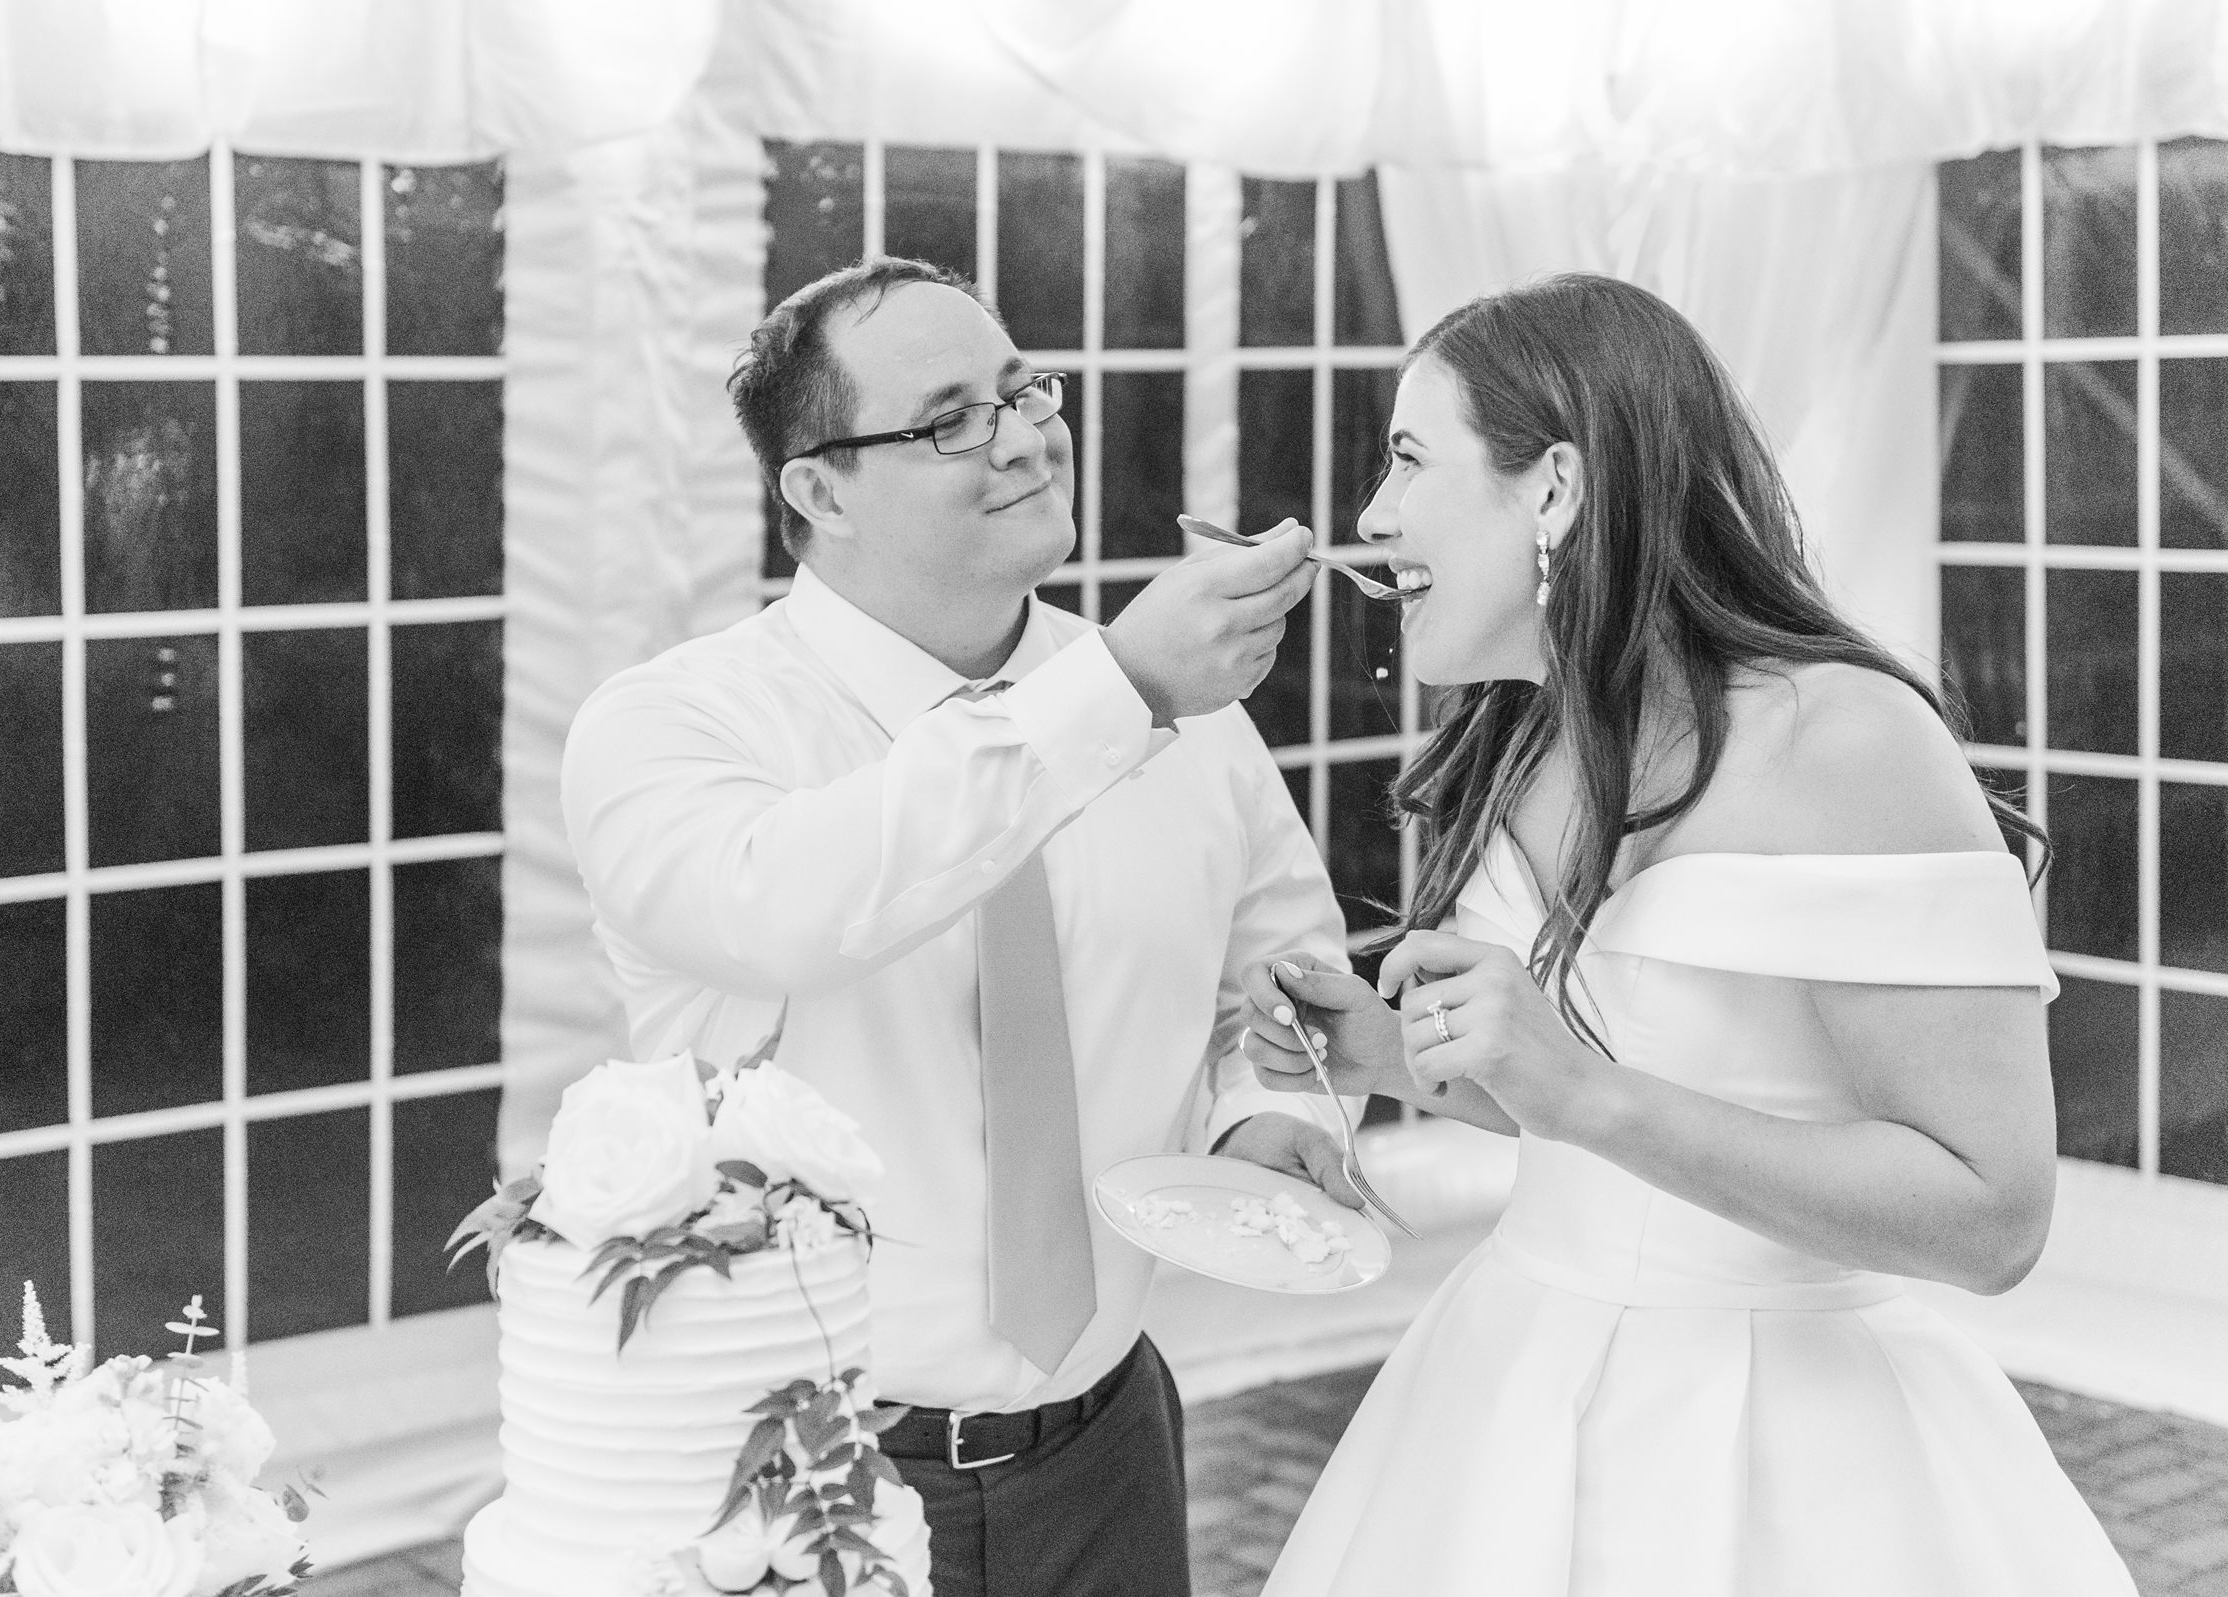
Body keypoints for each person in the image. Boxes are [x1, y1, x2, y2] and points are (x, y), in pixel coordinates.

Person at [1242, 274, 2138, 1595]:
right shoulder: (1513, 724)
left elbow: (1993, 1215)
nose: (1372, 516)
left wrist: (1589, 1093)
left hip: (1792, 1448)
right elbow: (1539, 1096)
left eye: (1408, 458)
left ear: (1552, 489)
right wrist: (1360, 1041)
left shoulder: (1847, 742)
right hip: (1507, 1393)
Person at [560, 255, 1358, 1597]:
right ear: (816, 490)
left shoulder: (1181, 714)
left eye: (1023, 388)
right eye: (949, 419)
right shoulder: (670, 725)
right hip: (792, 1480)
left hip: (1111, 1449)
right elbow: (803, 909)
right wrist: (1116, 690)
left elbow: (1285, 967)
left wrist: (1272, 1118)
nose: (1026, 433)